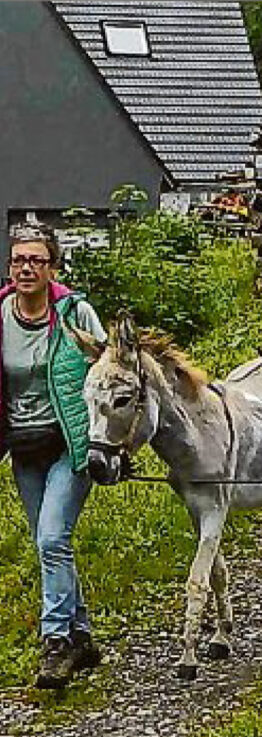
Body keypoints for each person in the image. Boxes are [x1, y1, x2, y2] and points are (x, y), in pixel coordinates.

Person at [0, 222, 107, 689]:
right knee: (50, 545)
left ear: (52, 267)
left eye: (36, 260)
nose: (26, 267)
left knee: (50, 540)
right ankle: (81, 634)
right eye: (19, 259)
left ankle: (56, 644)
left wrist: (114, 442)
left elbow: (111, 369)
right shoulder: (0, 313)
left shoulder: (74, 312)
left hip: (70, 445)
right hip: (24, 449)